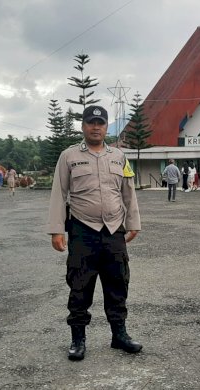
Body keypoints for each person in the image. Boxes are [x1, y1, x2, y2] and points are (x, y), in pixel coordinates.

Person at [47, 105, 142, 361]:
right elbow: (59, 193)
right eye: (91, 122)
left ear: (106, 126)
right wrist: (57, 230)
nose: (96, 127)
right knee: (80, 285)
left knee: (118, 284)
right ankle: (78, 339)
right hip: (82, 230)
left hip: (114, 231)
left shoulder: (119, 157)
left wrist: (133, 223)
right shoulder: (69, 156)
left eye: (101, 123)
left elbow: (128, 193)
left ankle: (119, 335)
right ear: (83, 126)